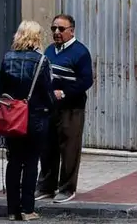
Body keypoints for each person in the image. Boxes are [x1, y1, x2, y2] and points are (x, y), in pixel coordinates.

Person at [0, 20, 54, 221]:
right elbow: (47, 92)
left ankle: (12, 210)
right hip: (35, 117)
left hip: (13, 116)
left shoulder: (7, 59)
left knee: (14, 161)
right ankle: (27, 209)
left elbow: (2, 90)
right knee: (31, 162)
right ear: (36, 37)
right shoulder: (42, 61)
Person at [35, 14, 93, 204]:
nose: (57, 33)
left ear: (71, 30)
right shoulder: (50, 50)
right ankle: (45, 186)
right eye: (53, 29)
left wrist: (65, 93)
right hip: (50, 107)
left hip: (71, 108)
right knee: (47, 147)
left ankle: (67, 189)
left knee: (69, 148)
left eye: (61, 29)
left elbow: (86, 81)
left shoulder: (80, 52)